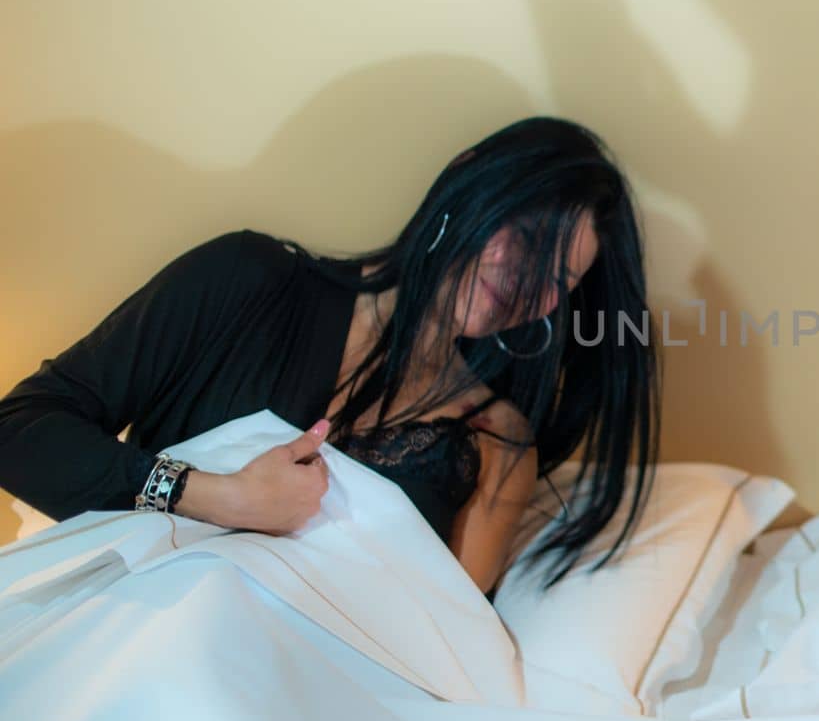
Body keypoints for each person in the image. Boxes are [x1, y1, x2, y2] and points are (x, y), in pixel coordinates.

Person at [0, 116, 660, 599]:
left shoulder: (497, 441)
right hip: (134, 638)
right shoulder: (248, 281)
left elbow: (448, 642)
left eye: (558, 280)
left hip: (311, 708)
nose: (526, 283)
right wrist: (220, 498)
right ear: (466, 178)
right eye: (526, 240)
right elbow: (19, 432)